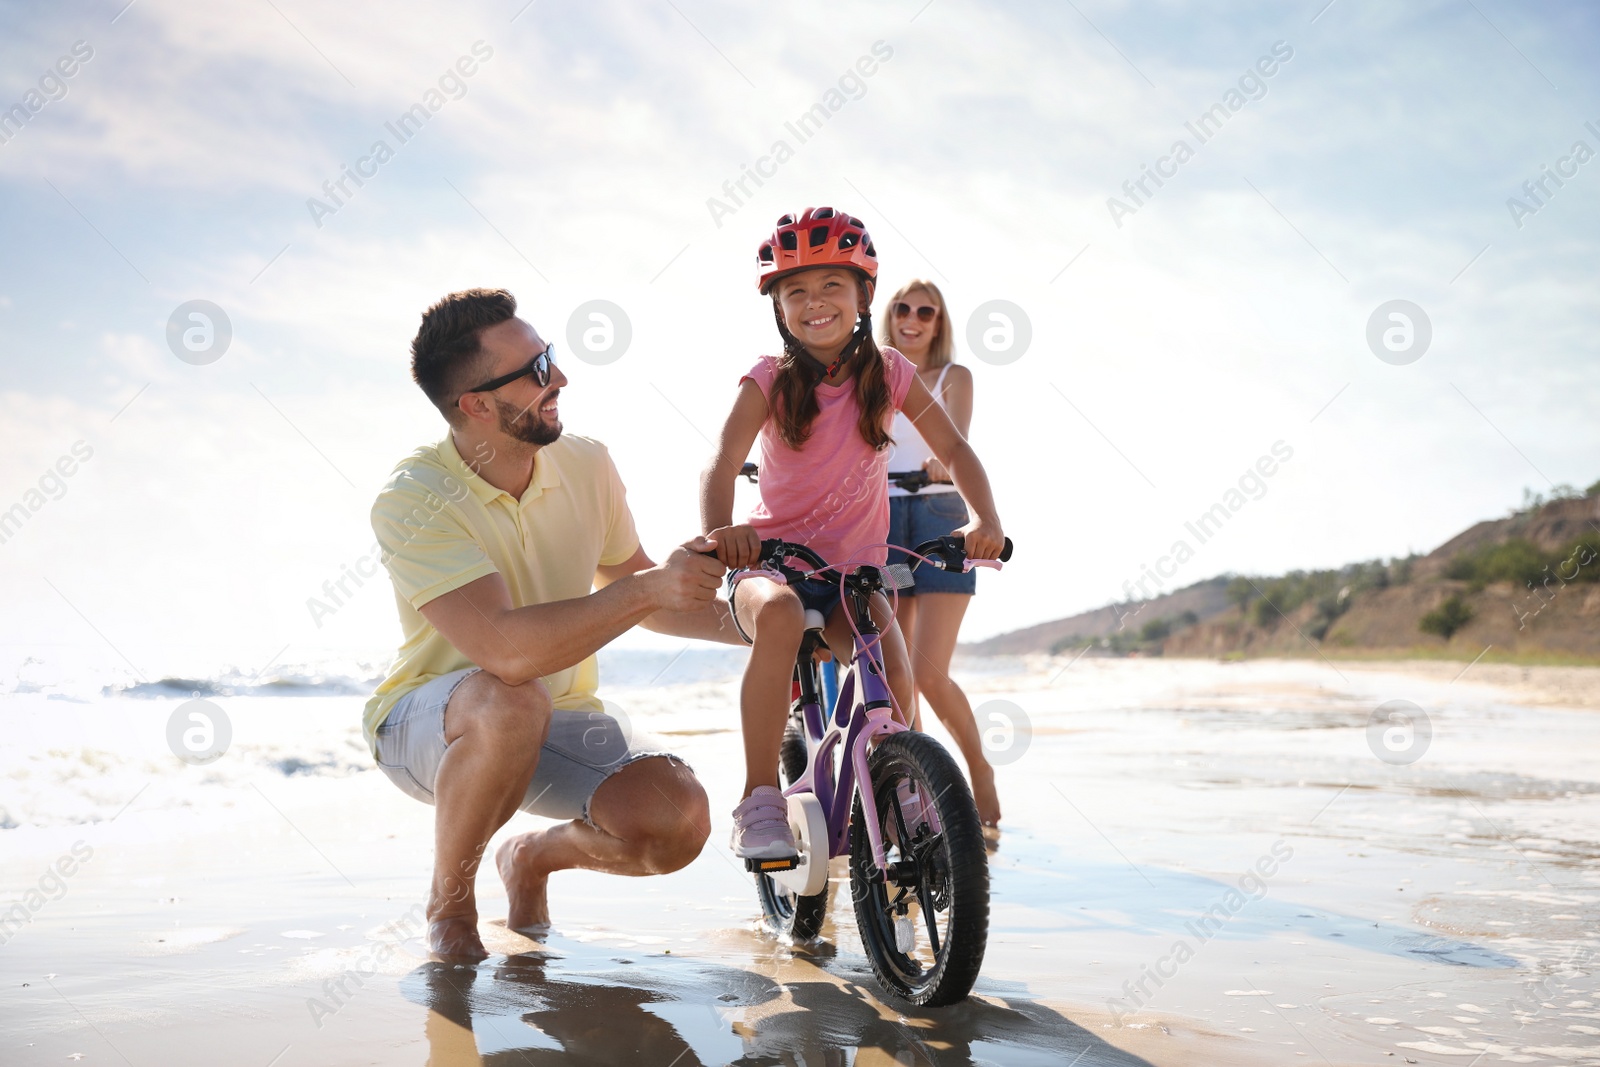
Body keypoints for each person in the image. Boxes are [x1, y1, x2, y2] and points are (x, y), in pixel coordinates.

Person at [365, 287, 741, 960]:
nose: (560, 377)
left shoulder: (588, 463)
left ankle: (531, 859)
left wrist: (770, 620)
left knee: (677, 818)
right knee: (512, 697)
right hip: (428, 727)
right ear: (477, 405)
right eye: (536, 370)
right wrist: (647, 588)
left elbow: (650, 589)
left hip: (556, 714)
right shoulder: (414, 497)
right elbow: (506, 652)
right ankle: (450, 907)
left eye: (552, 357)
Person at [700, 207, 1006, 862]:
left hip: (852, 573)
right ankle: (759, 798)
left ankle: (899, 784)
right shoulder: (770, 378)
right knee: (780, 615)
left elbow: (954, 445)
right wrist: (721, 531)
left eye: (832, 287)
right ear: (779, 307)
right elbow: (722, 460)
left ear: (865, 295)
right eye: (796, 292)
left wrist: (987, 520)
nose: (815, 303)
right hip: (772, 563)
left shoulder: (891, 371)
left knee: (890, 653)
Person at [881, 279, 1001, 827]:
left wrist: (937, 460)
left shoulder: (955, 377)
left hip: (939, 515)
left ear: (938, 322)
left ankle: (978, 769)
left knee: (930, 670)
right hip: (882, 519)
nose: (912, 319)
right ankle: (923, 790)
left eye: (924, 312)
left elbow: (956, 438)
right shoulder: (873, 377)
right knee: (896, 670)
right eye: (902, 308)